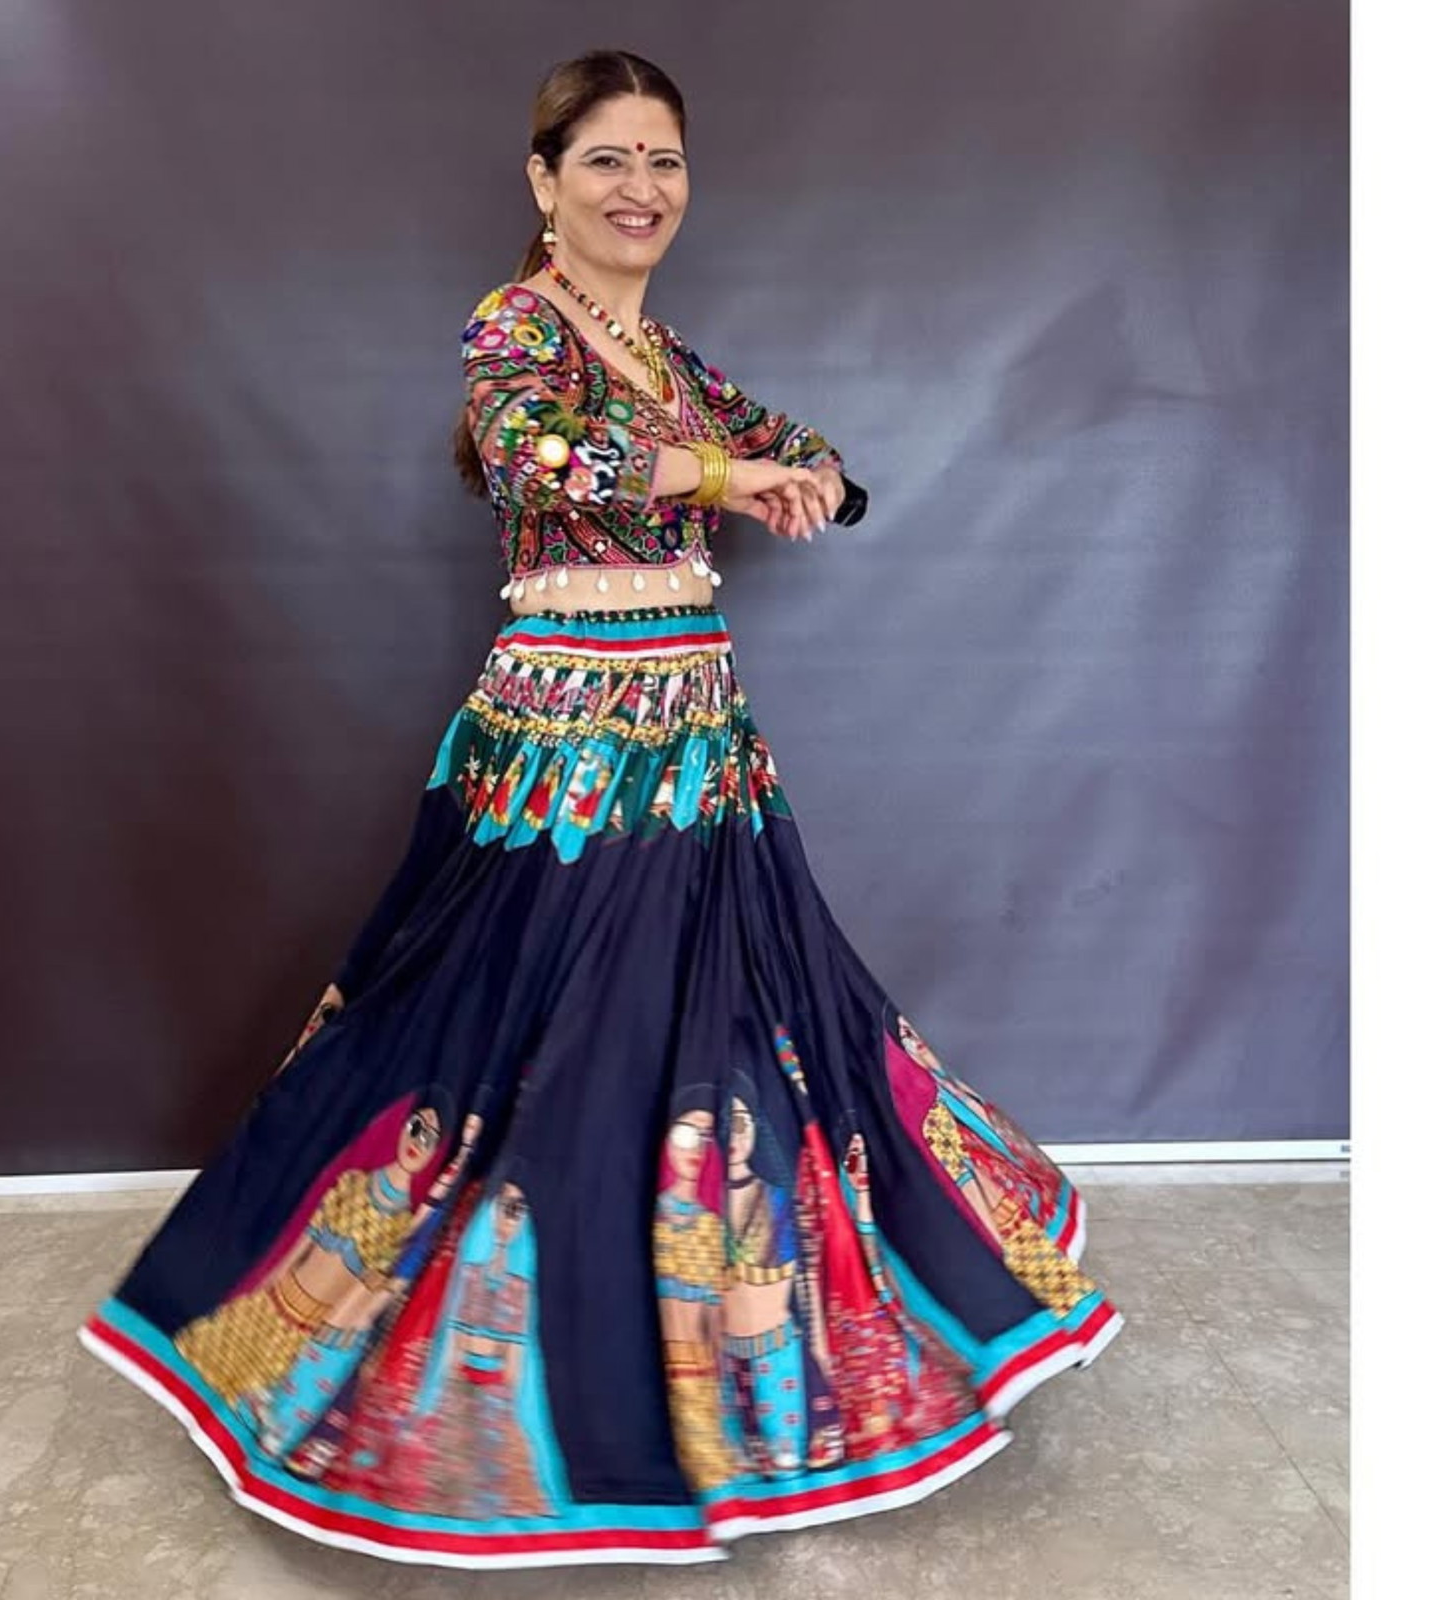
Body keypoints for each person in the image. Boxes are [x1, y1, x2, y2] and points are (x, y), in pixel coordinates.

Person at [78, 48, 1124, 1570]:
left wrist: (797, 476)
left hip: (699, 738)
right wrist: (725, 474)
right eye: (609, 160)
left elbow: (812, 459)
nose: (642, 189)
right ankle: (515, 1371)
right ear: (545, 180)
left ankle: (720, 1364)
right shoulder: (514, 325)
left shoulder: (670, 353)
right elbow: (545, 455)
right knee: (541, 1034)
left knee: (734, 1028)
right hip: (567, 743)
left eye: (664, 161)